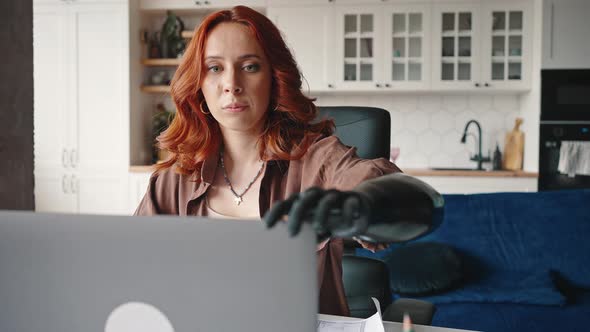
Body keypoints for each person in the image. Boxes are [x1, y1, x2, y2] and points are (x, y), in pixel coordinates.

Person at [135, 5, 443, 317]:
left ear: (274, 77)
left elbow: (402, 194)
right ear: (198, 83)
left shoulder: (316, 159)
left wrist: (363, 204)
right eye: (214, 68)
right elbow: (131, 269)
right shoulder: (173, 180)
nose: (231, 84)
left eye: (250, 66)